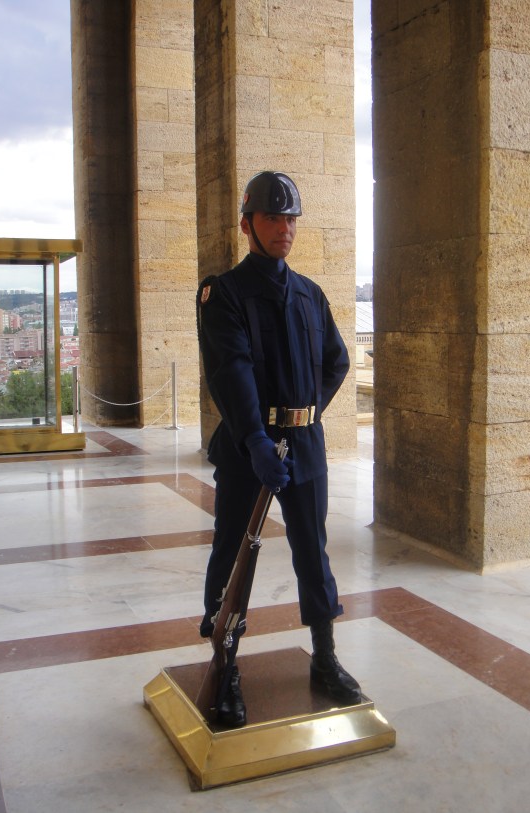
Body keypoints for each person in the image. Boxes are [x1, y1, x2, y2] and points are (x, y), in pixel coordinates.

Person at [196, 170, 362, 727]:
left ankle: (325, 656)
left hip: (304, 445)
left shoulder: (311, 294)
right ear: (248, 224)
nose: (284, 228)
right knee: (232, 554)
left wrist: (302, 414)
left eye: (290, 218)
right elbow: (232, 372)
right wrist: (256, 437)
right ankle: (226, 663)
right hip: (250, 449)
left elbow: (337, 361)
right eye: (272, 217)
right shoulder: (224, 294)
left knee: (313, 554)